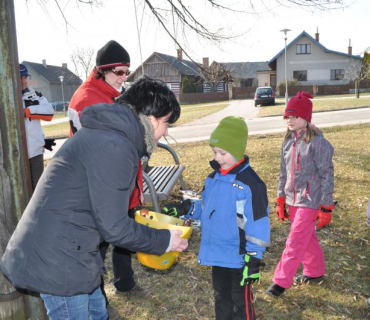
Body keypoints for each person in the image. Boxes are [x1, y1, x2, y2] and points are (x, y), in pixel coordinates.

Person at [0, 76, 188, 320]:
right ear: (151, 120)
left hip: (74, 251)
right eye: (166, 124)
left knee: (98, 314)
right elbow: (115, 228)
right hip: (61, 261)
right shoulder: (114, 146)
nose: (165, 132)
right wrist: (164, 241)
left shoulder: (111, 137)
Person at [162, 116, 270, 320]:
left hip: (239, 257)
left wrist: (254, 258)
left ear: (237, 152)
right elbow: (206, 207)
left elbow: (258, 222)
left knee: (240, 301)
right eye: (214, 152)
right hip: (217, 252)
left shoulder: (251, 185)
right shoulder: (213, 179)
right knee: (221, 297)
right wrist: (185, 208)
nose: (217, 158)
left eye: (223, 153)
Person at [68, 40, 147, 303]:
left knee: (123, 235)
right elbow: (99, 149)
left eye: (127, 71)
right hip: (99, 188)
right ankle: (96, 297)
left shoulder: (116, 94)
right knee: (97, 246)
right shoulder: (87, 98)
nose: (124, 78)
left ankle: (124, 281)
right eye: (119, 72)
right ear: (102, 70)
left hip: (122, 184)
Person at [266, 91, 335, 298]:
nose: (289, 120)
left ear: (306, 118)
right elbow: (282, 172)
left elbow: (327, 175)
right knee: (307, 237)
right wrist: (280, 199)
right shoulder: (288, 141)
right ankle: (314, 271)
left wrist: (326, 206)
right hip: (292, 199)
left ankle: (280, 282)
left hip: (311, 200)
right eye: (287, 116)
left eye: (294, 116)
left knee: (295, 240)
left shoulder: (318, 143)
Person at [20, 64, 55, 191]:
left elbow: (50, 113)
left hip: (35, 152)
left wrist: (28, 112)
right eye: (20, 78)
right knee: (21, 190)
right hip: (15, 154)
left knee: (38, 190)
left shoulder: (36, 95)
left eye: (25, 77)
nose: (23, 81)